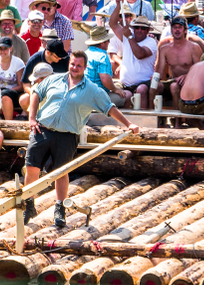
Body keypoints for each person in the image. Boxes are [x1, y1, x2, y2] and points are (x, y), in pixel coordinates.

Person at [24, 51, 140, 228]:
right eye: (72, 64)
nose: (75, 68)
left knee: (61, 172)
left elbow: (109, 107)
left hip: (67, 135)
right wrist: (31, 118)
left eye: (79, 65)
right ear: (68, 64)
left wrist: (128, 124)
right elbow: (36, 92)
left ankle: (60, 208)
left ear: (85, 68)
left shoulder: (92, 89)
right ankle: (29, 205)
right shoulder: (54, 79)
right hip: (43, 129)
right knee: (32, 168)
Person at [155, 16, 204, 112]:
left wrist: (187, 76)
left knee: (174, 87)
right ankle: (153, 117)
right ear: (171, 30)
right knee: (154, 86)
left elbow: (200, 71)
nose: (177, 30)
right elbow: (159, 73)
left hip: (190, 81)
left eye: (180, 27)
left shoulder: (193, 47)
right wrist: (154, 78)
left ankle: (178, 120)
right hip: (173, 80)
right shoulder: (165, 48)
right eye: (174, 27)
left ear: (185, 30)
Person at [111, 14, 158, 108]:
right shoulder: (127, 36)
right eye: (137, 27)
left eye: (143, 28)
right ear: (134, 28)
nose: (139, 30)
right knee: (113, 89)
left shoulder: (151, 42)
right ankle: (123, 121)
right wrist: (118, 5)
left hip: (144, 83)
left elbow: (139, 54)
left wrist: (129, 37)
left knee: (141, 90)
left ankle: (143, 120)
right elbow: (112, 24)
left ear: (148, 30)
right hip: (124, 84)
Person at [84, 25, 132, 106]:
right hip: (97, 98)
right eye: (108, 40)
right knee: (128, 94)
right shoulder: (102, 56)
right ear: (102, 43)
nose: (109, 42)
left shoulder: (86, 53)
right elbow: (105, 79)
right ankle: (119, 118)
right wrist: (115, 89)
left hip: (84, 95)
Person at [19, 40, 69, 112]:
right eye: (57, 56)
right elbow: (26, 83)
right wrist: (35, 94)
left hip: (59, 94)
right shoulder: (34, 59)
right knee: (23, 99)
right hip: (37, 91)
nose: (60, 58)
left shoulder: (65, 60)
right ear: (48, 53)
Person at [0, 37, 25, 120]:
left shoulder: (18, 63)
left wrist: (6, 91)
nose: (2, 51)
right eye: (0, 48)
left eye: (5, 48)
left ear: (11, 49)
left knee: (5, 95)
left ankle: (8, 122)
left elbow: (21, 86)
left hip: (15, 93)